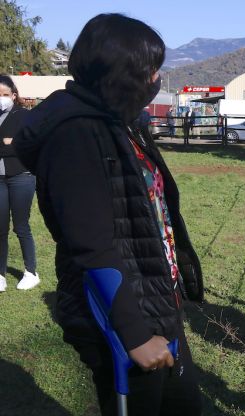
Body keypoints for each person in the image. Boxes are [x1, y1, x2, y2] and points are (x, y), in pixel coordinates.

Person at [14, 14, 203, 416]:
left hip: (152, 297)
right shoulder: (76, 132)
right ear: (121, 70)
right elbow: (92, 243)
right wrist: (134, 335)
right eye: (150, 70)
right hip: (117, 313)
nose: (156, 80)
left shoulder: (118, 122)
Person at [0, 75, 39, 292]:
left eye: (5, 94)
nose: (1, 99)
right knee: (0, 227)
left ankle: (31, 271)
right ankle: (0, 274)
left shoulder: (23, 115)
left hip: (21, 176)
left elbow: (26, 146)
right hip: (0, 178)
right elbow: (10, 146)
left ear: (14, 95)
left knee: (21, 225)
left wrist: (11, 145)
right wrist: (7, 143)